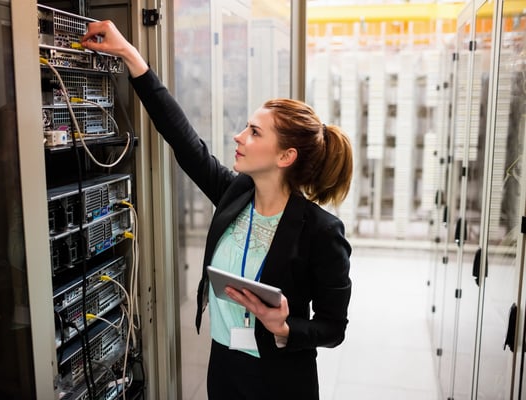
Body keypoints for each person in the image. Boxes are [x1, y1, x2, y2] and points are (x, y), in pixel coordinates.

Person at [82, 20, 353, 400]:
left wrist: (286, 327)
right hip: (224, 367)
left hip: (278, 379)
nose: (239, 137)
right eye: (246, 127)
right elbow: (183, 139)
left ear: (285, 156)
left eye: (255, 132)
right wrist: (131, 56)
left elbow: (333, 327)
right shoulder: (235, 193)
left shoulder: (321, 231)